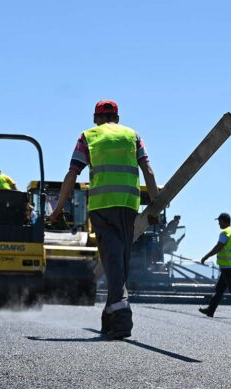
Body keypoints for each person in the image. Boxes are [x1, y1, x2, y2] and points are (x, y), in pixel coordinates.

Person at [49, 100, 159, 339]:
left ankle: (121, 319)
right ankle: (109, 318)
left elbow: (72, 173)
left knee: (113, 262)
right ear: (117, 118)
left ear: (95, 118)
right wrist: (155, 205)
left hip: (102, 207)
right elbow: (148, 171)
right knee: (119, 262)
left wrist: (57, 209)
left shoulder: (88, 136)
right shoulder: (133, 135)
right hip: (129, 207)